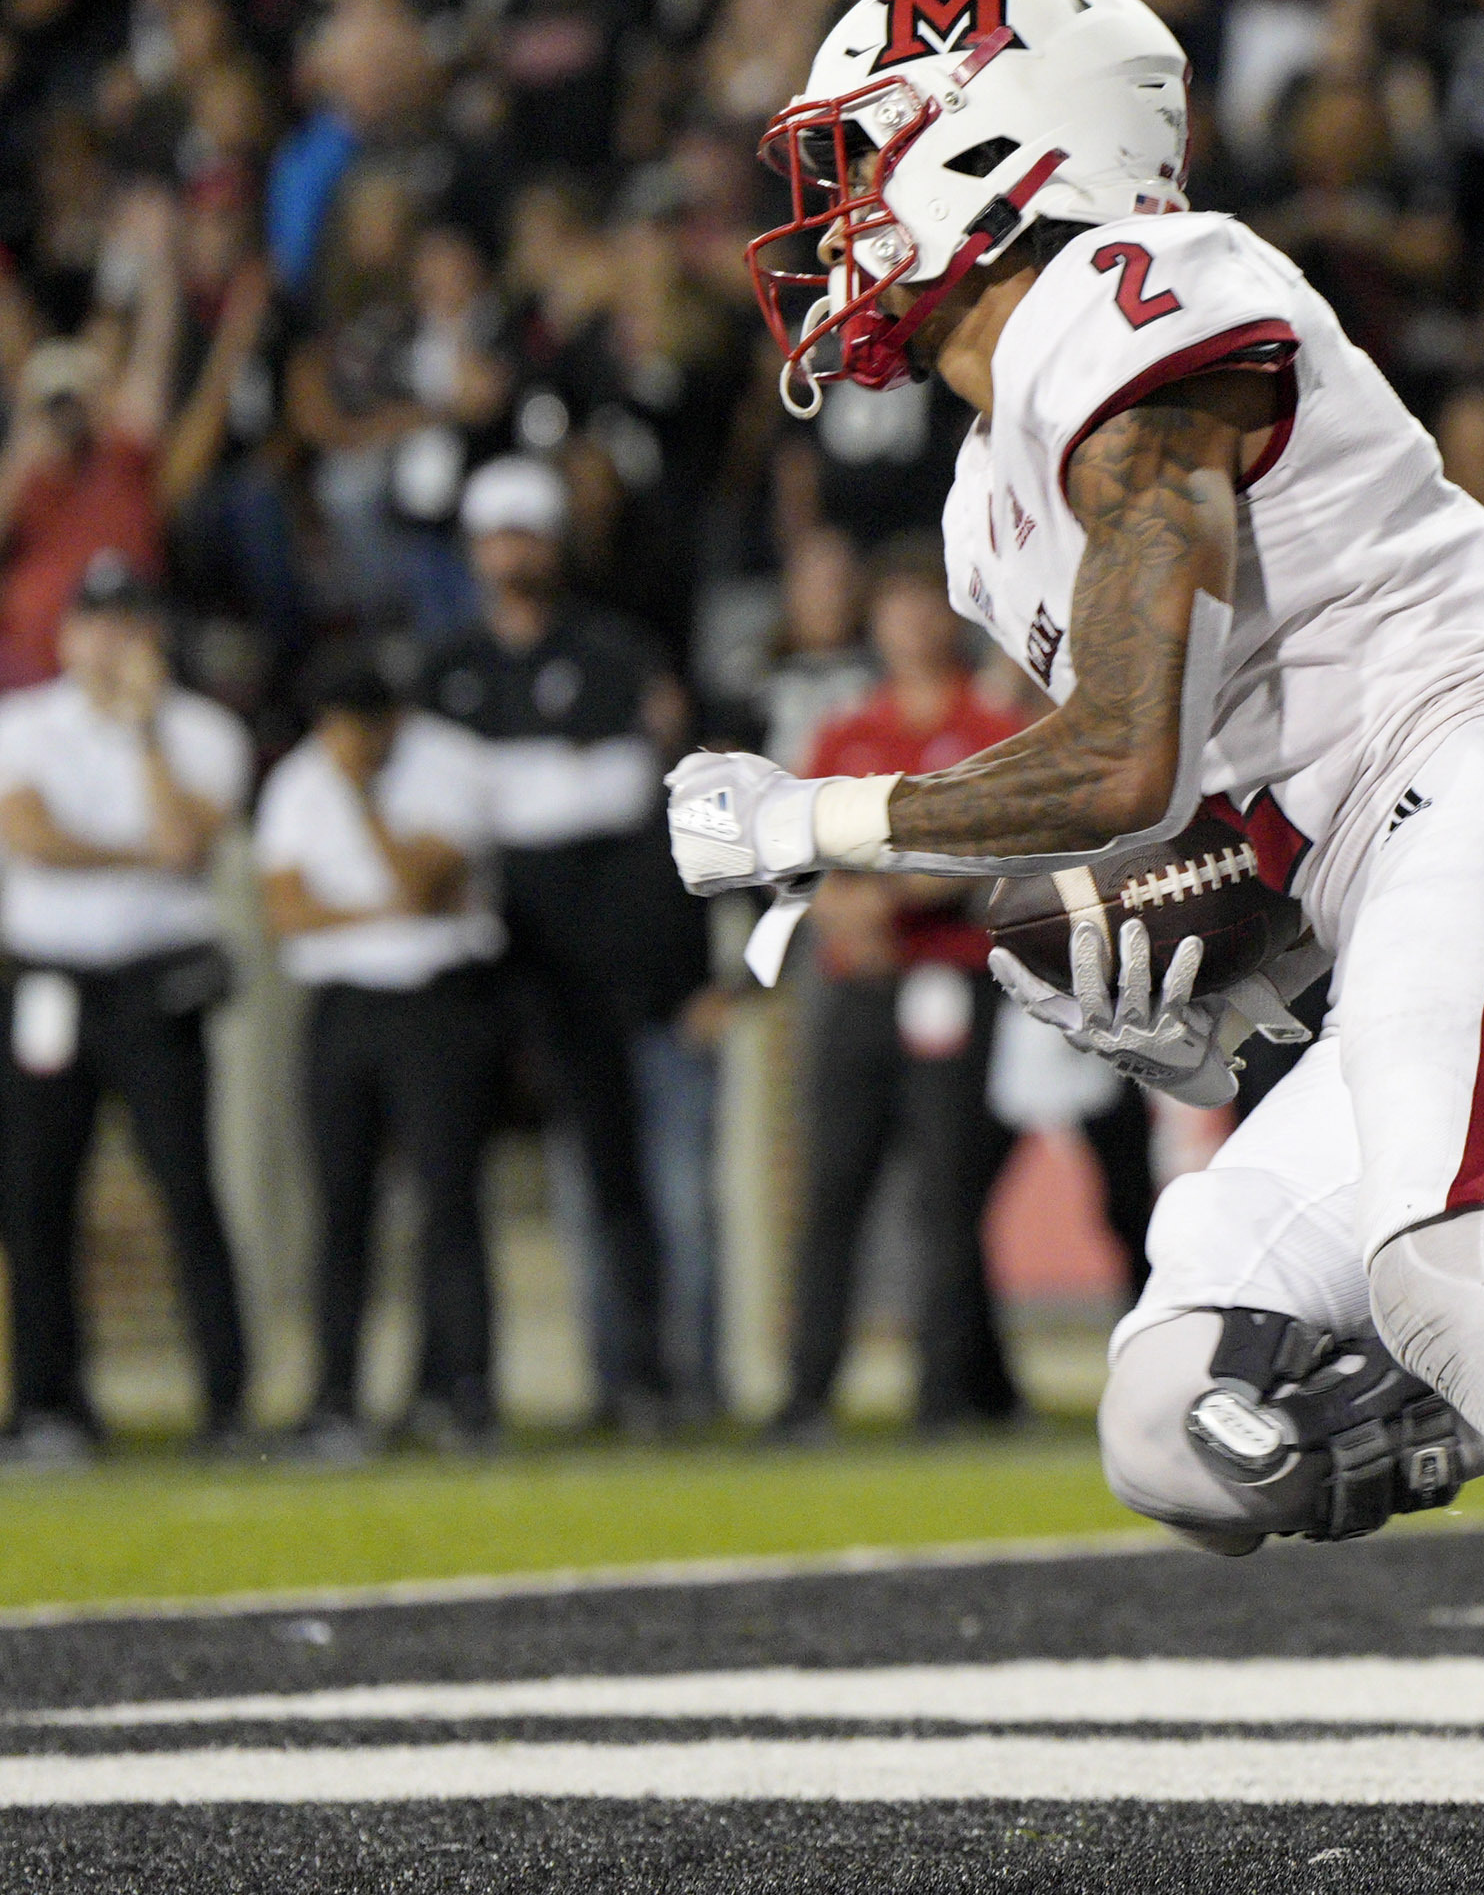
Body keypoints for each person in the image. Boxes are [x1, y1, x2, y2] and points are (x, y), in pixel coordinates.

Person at [661, 0, 1484, 1885]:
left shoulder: (1143, 293)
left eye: (864, 159)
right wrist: (1191, 993)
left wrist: (826, 813)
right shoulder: (977, 503)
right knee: (1180, 1424)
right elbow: (1208, 803)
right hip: (1394, 842)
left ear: (1002, 145)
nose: (834, 217)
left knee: (1440, 1263)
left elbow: (1114, 761)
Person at [430, 454, 704, 1431]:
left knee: (617, 1169)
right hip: (472, 955)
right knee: (443, 1169)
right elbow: (439, 803)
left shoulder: (609, 647)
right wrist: (557, 782)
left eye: (527, 531)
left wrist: (504, 791)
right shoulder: (445, 662)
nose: (512, 551)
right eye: (497, 533)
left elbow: (636, 792)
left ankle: (638, 1374)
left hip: (594, 957)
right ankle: (454, 1385)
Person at [0, 557, 254, 1459]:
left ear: (153, 633)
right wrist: (132, 852)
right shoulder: (22, 722)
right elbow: (26, 835)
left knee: (187, 1187)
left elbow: (185, 843)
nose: (109, 641)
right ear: (67, 633)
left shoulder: (201, 730)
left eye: (126, 623)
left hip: (157, 985)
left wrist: (145, 733)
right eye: (94, 622)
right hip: (49, 983)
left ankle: (226, 1402)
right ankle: (48, 1405)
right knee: (34, 1198)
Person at [771, 548, 1030, 1436]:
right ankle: (808, 1390)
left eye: (926, 606)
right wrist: (845, 910)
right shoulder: (848, 731)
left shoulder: (987, 723)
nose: (913, 624)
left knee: (947, 1193)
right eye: (898, 606)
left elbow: (987, 841)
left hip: (952, 976)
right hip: (862, 982)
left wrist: (878, 896)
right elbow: (801, 853)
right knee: (834, 1187)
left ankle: (945, 1391)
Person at [256, 646, 502, 1453]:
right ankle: (336, 1398)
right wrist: (377, 911)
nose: (346, 740)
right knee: (341, 1207)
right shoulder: (296, 779)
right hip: (340, 1005)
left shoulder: (446, 763)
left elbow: (418, 885)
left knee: (448, 1199)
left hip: (436, 1002)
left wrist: (363, 798)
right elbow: (287, 911)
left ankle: (461, 1391)